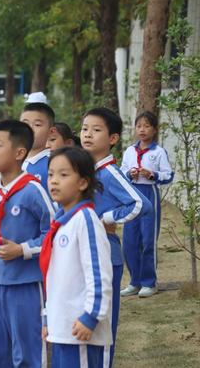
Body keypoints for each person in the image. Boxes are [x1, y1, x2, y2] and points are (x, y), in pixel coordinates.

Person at [0, 119, 54, 368]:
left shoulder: (32, 190)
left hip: (26, 285)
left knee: (27, 353)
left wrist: (22, 250)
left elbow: (53, 235)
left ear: (20, 153)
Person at [80, 107, 152, 365]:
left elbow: (141, 204)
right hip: (88, 253)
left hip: (107, 256)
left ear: (113, 139)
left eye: (96, 130)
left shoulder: (109, 172)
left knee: (103, 326)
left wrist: (105, 219)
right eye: (85, 129)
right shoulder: (87, 170)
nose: (87, 135)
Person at [40, 146, 113, 368]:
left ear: (82, 182)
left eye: (63, 175)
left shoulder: (86, 221)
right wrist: (47, 318)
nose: (53, 181)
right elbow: (55, 279)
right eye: (51, 174)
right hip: (63, 330)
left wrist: (90, 316)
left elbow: (99, 275)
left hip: (82, 332)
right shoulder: (62, 223)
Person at [120, 111, 173, 298]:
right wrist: (130, 175)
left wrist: (152, 175)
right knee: (129, 242)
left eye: (147, 126)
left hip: (149, 194)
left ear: (154, 129)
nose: (142, 129)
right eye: (139, 126)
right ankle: (135, 282)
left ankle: (149, 282)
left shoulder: (158, 152)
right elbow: (122, 172)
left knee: (147, 240)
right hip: (132, 196)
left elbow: (168, 175)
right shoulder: (129, 151)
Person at [20, 102, 56, 191]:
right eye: (25, 124)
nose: (29, 129)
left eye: (37, 125)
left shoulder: (53, 163)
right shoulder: (11, 161)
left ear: (51, 132)